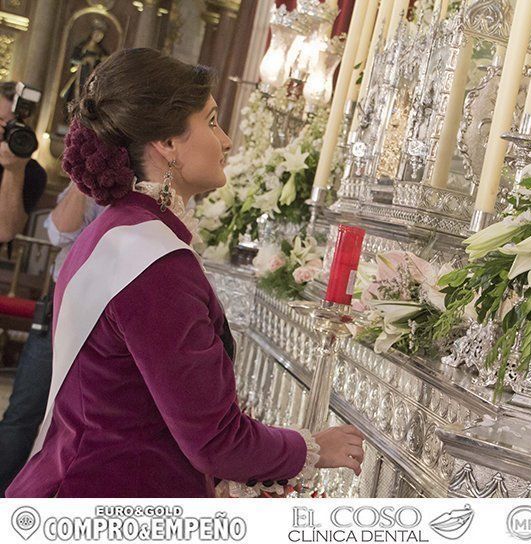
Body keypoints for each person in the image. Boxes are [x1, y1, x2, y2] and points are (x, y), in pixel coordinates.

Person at [6, 48, 364, 498]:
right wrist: (312, 448)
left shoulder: (118, 229)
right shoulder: (155, 265)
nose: (227, 139)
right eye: (212, 121)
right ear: (168, 143)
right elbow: (215, 441)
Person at [0, 183, 105, 496]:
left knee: (85, 427)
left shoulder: (157, 184)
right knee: (23, 413)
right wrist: (84, 179)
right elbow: (58, 234)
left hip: (110, 320)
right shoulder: (91, 178)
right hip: (62, 311)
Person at [0, 81, 48, 243]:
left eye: (12, 124)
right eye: (1, 121)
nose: (6, 130)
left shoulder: (33, 173)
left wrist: (14, 170)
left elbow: (4, 232)